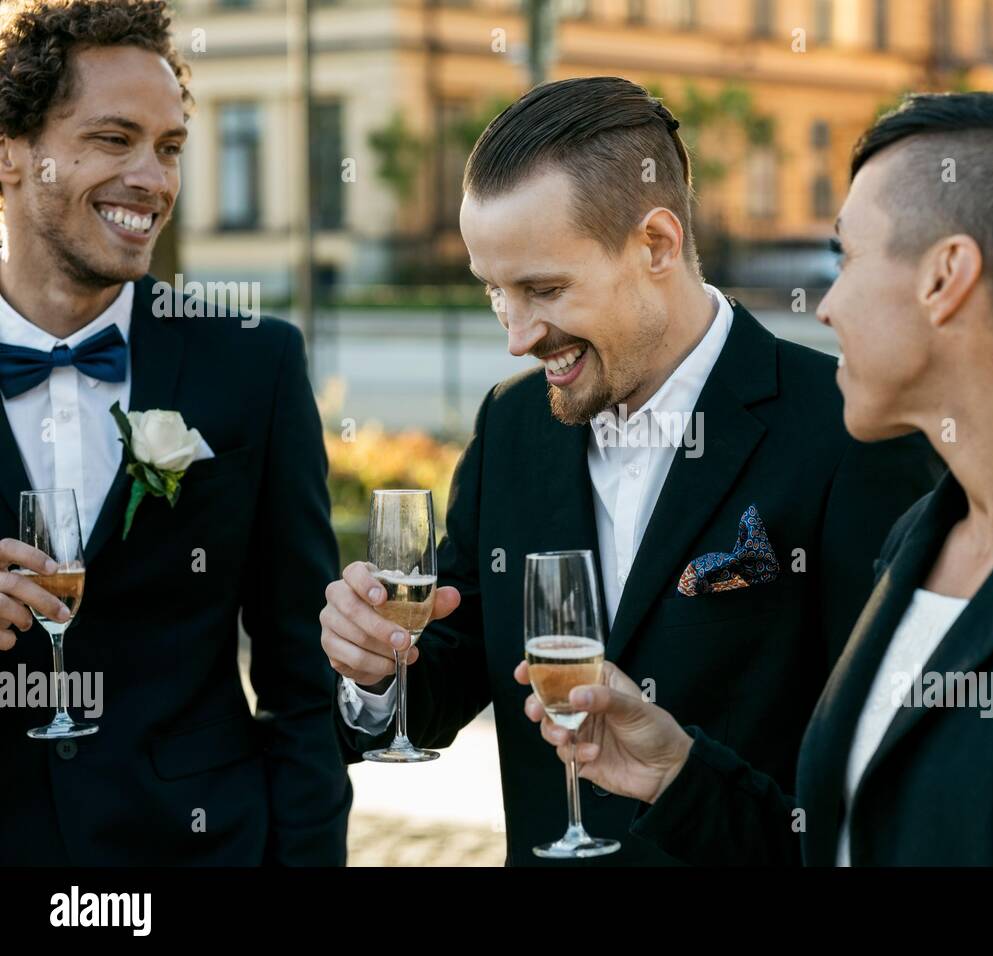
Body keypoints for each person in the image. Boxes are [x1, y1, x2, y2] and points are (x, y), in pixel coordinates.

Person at [521, 91, 993, 866]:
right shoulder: (921, 537)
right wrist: (680, 775)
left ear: (945, 277)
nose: (826, 307)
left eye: (848, 258)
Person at [320, 76, 942, 865]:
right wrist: (375, 670)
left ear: (656, 243)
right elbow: (456, 658)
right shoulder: (510, 425)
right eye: (494, 294)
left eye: (543, 289)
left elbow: (892, 792)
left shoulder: (850, 429)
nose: (517, 335)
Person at [0, 0, 349, 865]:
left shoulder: (254, 362)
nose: (152, 180)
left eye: (169, 148)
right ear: (11, 154)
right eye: (114, 140)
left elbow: (303, 683)